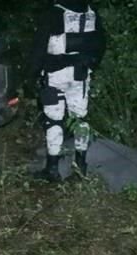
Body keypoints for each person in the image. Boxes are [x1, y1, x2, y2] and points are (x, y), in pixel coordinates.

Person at [30, 0, 107, 182]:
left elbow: (39, 47)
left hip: (55, 73)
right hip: (80, 74)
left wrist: (31, 75)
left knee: (53, 120)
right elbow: (101, 43)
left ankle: (52, 169)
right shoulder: (91, 11)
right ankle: (80, 167)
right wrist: (91, 64)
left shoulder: (53, 12)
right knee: (80, 119)